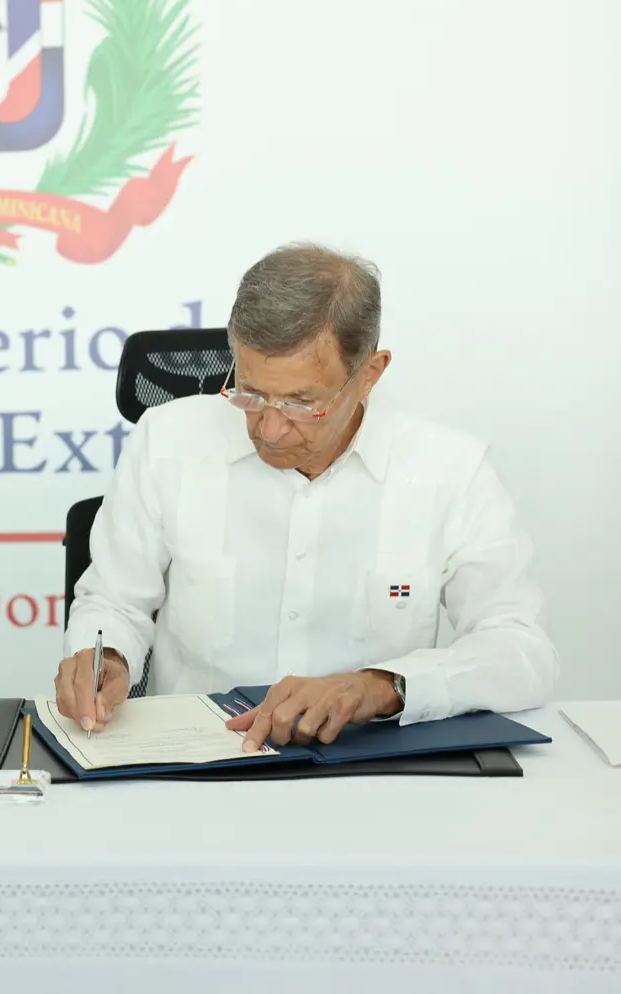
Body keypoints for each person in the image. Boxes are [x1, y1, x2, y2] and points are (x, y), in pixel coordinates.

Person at [55, 243, 556, 750]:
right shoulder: (166, 441)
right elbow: (115, 604)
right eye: (249, 393)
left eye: (302, 402)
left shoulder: (449, 469)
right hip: (198, 765)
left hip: (373, 771)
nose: (269, 429)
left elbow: (520, 649)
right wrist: (107, 657)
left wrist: (382, 686)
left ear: (369, 375)